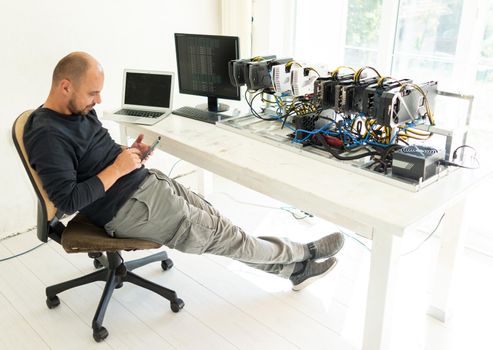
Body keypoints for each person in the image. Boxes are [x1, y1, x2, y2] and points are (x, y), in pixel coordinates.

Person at [24, 52, 344, 291]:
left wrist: (128, 155)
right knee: (227, 237)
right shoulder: (47, 134)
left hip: (146, 187)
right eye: (93, 93)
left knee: (224, 228)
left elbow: (91, 158)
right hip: (132, 209)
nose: (99, 99)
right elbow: (66, 201)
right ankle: (304, 251)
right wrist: (119, 169)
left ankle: (294, 272)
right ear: (65, 86)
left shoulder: (77, 110)